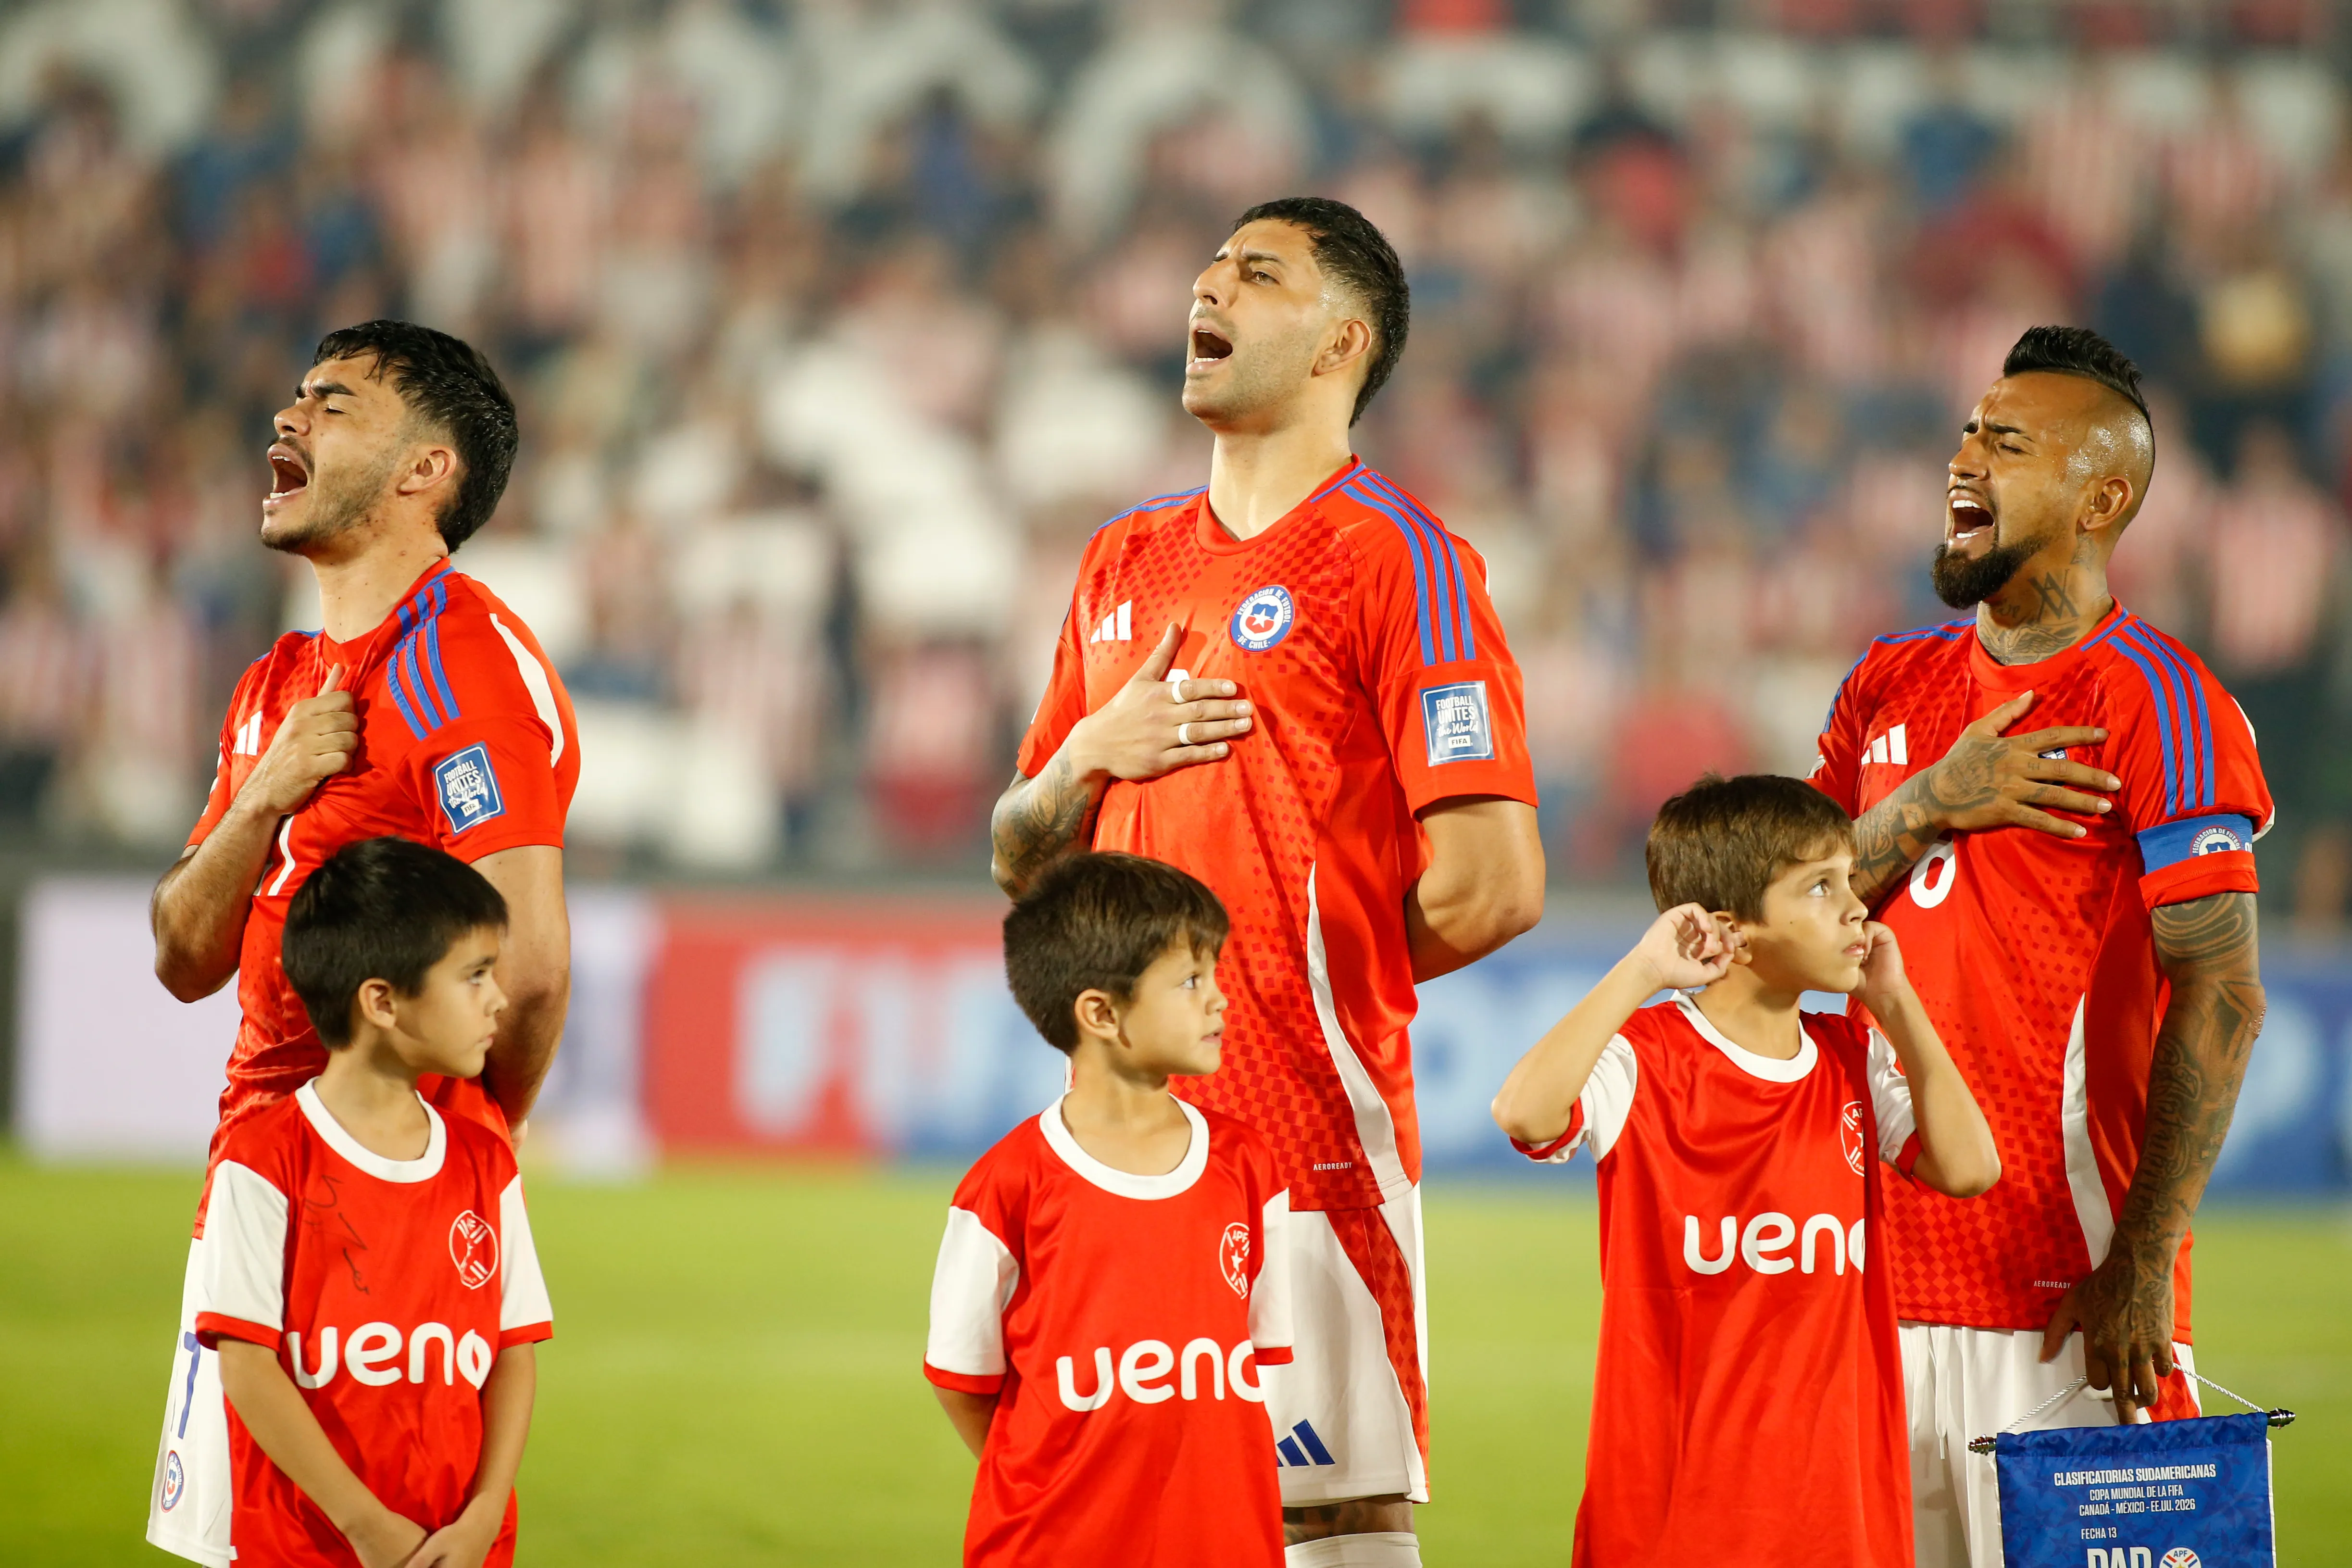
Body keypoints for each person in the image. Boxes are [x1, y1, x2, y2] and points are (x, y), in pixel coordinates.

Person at [988, 196, 1544, 1566]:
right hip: (1119, 1140)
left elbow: (1492, 885)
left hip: (1303, 1128)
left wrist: (1291, 990)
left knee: (1331, 1505)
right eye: (1208, 263)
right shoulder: (1120, 558)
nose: (1207, 282)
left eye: (1256, 271)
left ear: (1339, 341)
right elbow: (1019, 861)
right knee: (1129, 1499)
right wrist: (1081, 763)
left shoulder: (1399, 559)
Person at [1811, 326, 2272, 1567]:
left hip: (2068, 1304)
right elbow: (1779, 917)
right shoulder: (1882, 687)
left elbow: (2220, 995)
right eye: (1964, 430)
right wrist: (1925, 803)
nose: (1961, 456)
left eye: (2003, 442)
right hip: (1861, 1292)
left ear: (2098, 496)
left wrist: (2144, 1257)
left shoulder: (2160, 701)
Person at [148, 321, 580, 1568]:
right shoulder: (274, 685)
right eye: (293, 396)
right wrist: (263, 796)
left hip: (387, 1210)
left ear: (421, 471)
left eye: (332, 404)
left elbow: (533, 963)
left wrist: (459, 1167)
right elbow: (184, 955)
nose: (288, 418)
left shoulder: (456, 657)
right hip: (258, 1168)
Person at [1491, 774, 1999, 1567]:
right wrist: (1642, 971)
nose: (1856, 907)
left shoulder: (1851, 1060)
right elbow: (1524, 1111)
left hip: (1841, 1513)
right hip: (1675, 1517)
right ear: (1733, 928)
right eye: (1820, 887)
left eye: (1848, 881)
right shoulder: (1649, 1061)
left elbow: (1972, 1168)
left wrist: (1898, 1006)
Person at [925, 852, 1293, 1567]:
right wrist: (1057, 1481)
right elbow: (962, 1382)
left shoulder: (1249, 1166)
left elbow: (1266, 1365)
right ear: (1100, 1012)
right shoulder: (1007, 1184)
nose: (1219, 998)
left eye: (1214, 973)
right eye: (1190, 981)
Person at [194, 836, 553, 1568]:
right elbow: (248, 1368)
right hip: (310, 1549)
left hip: (461, 1548)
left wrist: (484, 1518)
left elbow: (513, 1354)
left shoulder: (488, 1164)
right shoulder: (265, 1156)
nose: (500, 998)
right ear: (382, 1001)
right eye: (475, 975)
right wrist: (366, 1526)